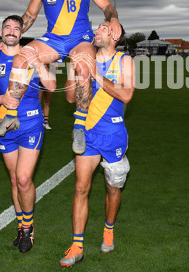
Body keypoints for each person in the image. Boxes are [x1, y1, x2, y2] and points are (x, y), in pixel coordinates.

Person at [0, 0, 122, 158]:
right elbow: (30, 15)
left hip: (80, 38)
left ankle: (80, 126)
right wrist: (12, 35)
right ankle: (11, 115)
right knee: (22, 57)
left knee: (84, 68)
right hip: (53, 38)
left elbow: (107, 6)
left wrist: (114, 19)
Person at [60, 20, 134, 268]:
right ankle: (77, 245)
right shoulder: (84, 58)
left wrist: (96, 75)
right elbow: (71, 98)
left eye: (102, 27)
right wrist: (75, 68)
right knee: (81, 188)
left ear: (114, 34)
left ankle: (109, 229)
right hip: (87, 133)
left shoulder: (124, 61)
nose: (96, 31)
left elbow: (126, 94)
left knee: (113, 187)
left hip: (113, 133)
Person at [0, 15, 55, 253]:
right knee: (14, 180)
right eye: (7, 27)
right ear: (2, 32)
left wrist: (39, 64)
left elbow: (52, 86)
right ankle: (21, 226)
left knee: (24, 179)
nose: (11, 31)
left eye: (16, 28)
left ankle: (29, 227)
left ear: (21, 33)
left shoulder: (32, 56)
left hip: (31, 125)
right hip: (6, 126)